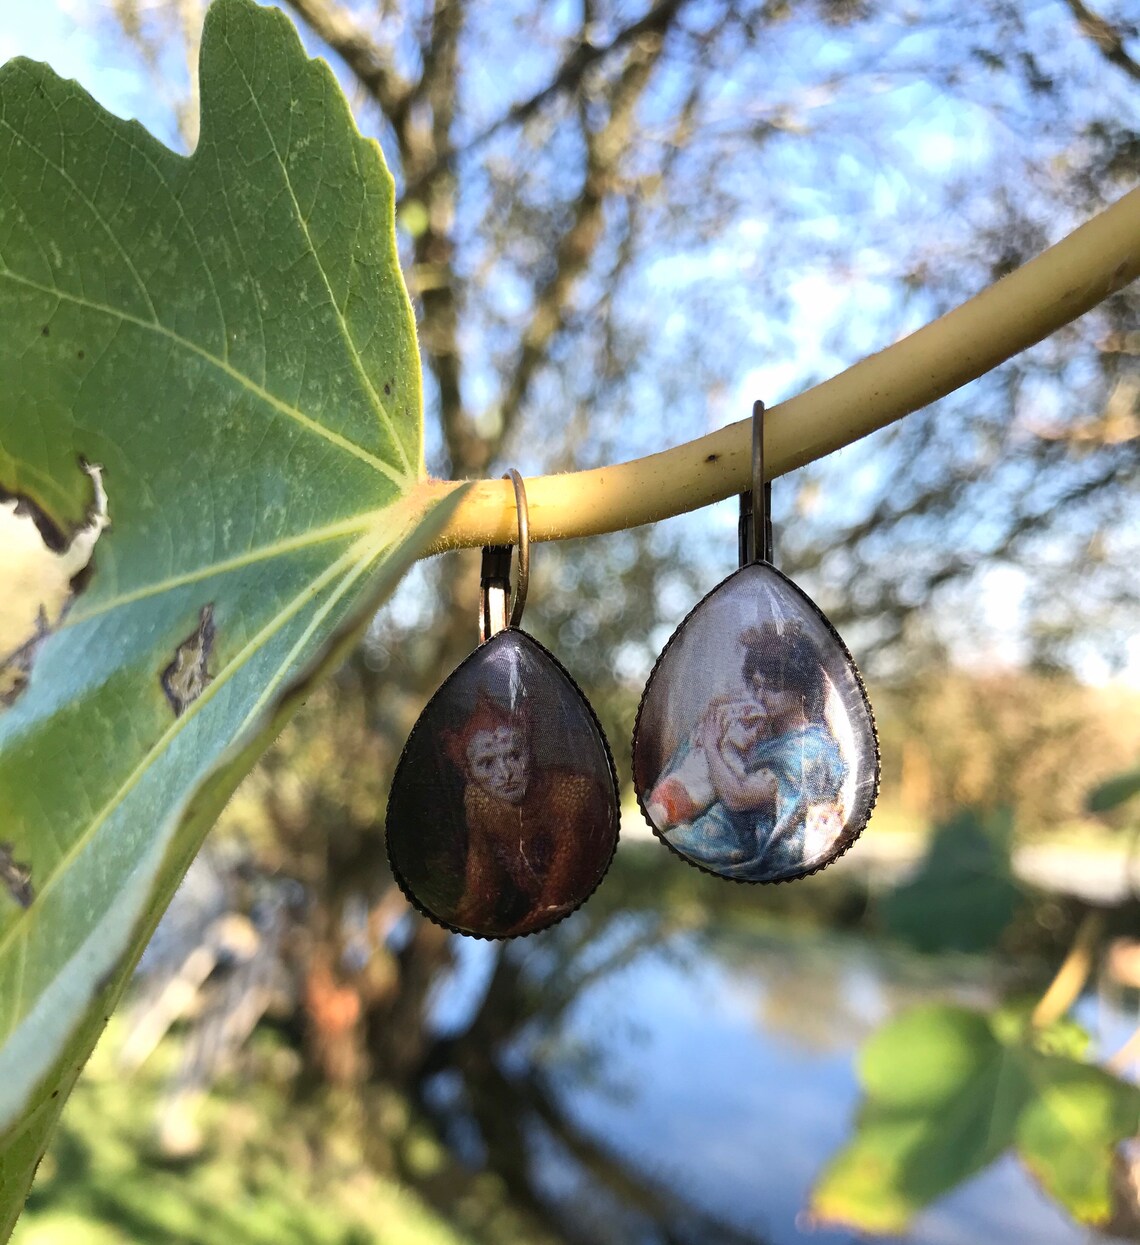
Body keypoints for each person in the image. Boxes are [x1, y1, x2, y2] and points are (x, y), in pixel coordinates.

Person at [644, 622, 847, 880]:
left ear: (801, 688)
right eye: (756, 685)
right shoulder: (767, 733)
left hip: (740, 849)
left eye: (772, 687)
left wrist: (712, 745)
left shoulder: (811, 751)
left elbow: (738, 797)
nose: (760, 695)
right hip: (714, 833)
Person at [442, 692, 611, 936]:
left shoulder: (572, 795)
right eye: (487, 764)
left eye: (514, 755)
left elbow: (557, 897)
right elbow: (482, 882)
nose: (506, 773)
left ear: (530, 752)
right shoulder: (479, 801)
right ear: (469, 772)